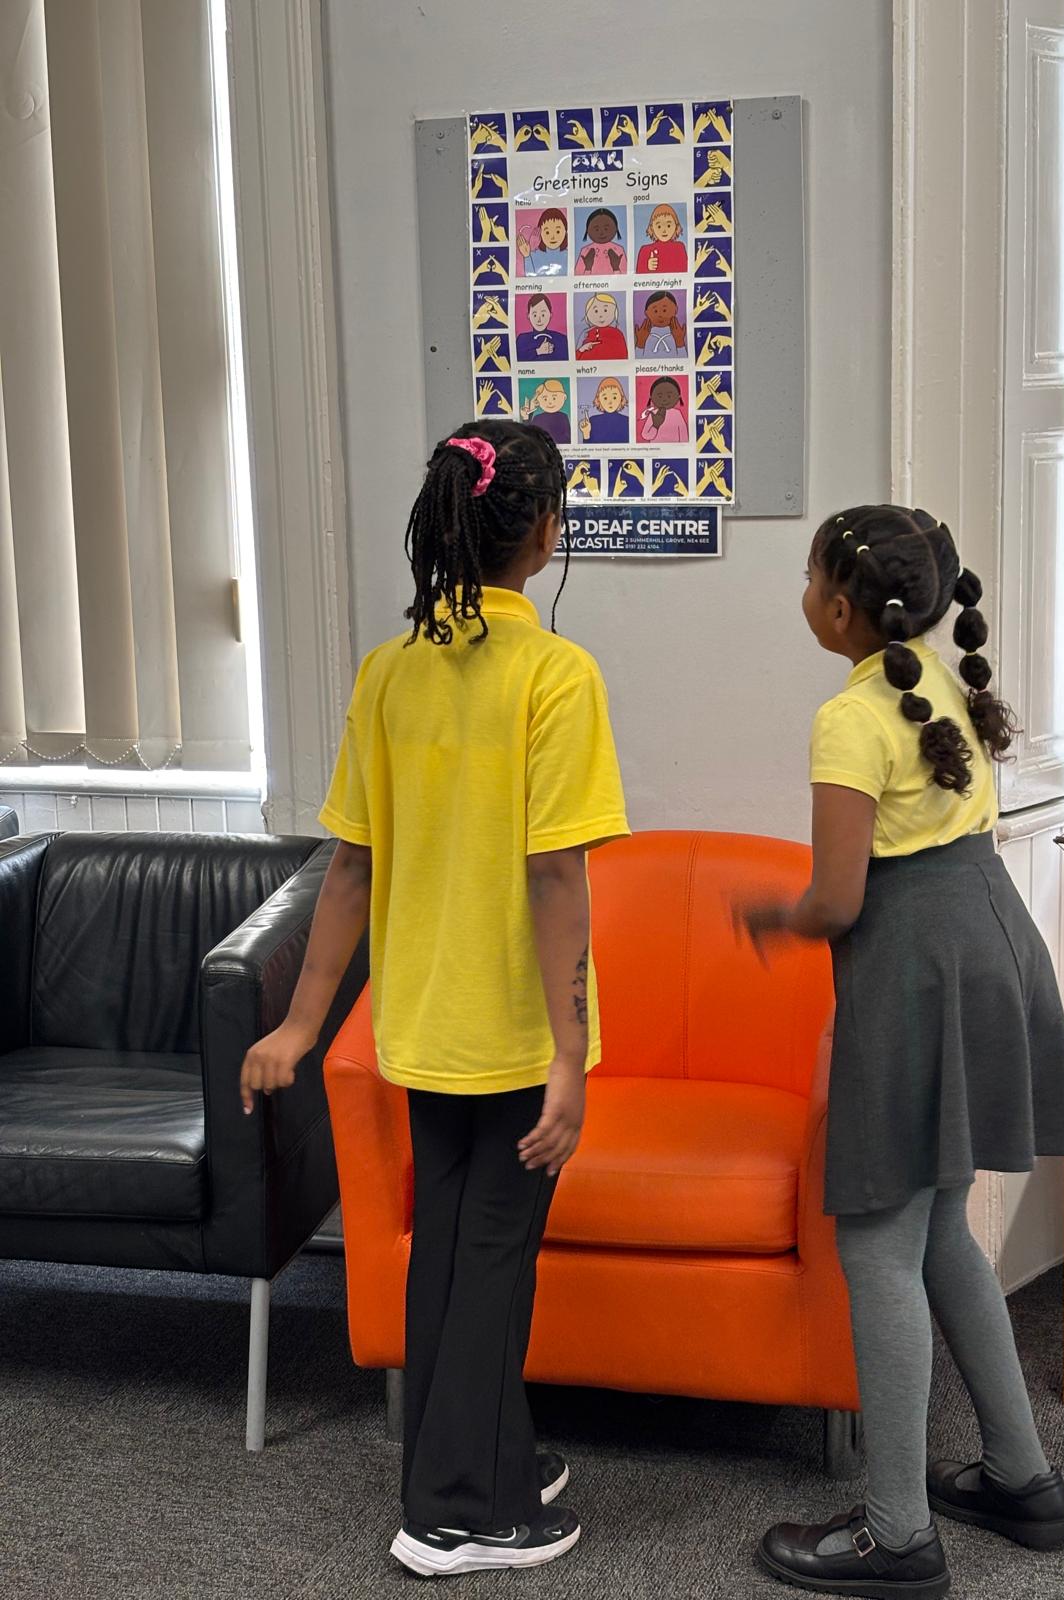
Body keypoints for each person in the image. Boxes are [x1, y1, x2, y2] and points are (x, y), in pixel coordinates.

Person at [239, 419, 628, 1578]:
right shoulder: (557, 673)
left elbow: (346, 865)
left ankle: (489, 1451)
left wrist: (305, 1023)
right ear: (547, 537)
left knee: (452, 1245)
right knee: (494, 1256)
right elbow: (556, 870)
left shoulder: (390, 668)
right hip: (509, 1030)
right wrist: (572, 1052)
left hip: (420, 1022)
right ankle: (459, 1510)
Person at [737, 507, 1064, 1599]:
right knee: (936, 1228)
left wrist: (767, 914)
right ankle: (1022, 1478)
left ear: (841, 606)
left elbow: (841, 899)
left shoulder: (851, 715)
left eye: (806, 577)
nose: (800, 593)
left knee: (878, 1245)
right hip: (990, 939)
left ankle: (897, 1532)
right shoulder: (935, 678)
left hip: (917, 963)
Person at [635, 204, 688, 274]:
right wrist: (647, 267)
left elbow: (685, 270)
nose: (664, 230)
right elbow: (637, 275)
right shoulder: (645, 250)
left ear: (676, 226)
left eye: (668, 225)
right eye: (659, 226)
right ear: (652, 228)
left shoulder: (679, 247)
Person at [575, 294, 628, 360]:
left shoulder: (617, 333)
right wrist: (581, 349)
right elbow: (575, 359)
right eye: (596, 311)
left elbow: (623, 357)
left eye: (605, 310)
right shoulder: (585, 333)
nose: (601, 315)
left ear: (614, 312)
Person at [517, 208, 569, 276]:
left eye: (558, 232)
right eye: (547, 232)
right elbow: (530, 278)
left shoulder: (568, 255)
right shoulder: (533, 255)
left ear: (565, 232)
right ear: (540, 233)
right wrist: (527, 256)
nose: (552, 237)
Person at [516, 294, 568, 361]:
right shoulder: (522, 339)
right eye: (534, 315)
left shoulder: (561, 339)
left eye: (543, 315)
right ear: (528, 316)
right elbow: (517, 359)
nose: (539, 320)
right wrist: (538, 351)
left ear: (550, 314)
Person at [575, 208, 627, 274]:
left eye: (606, 229)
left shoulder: (619, 250)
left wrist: (616, 268)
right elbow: (577, 275)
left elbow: (626, 277)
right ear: (588, 231)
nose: (601, 233)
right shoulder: (585, 250)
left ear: (615, 229)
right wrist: (588, 268)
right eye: (596, 230)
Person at [635, 290, 686, 358]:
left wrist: (680, 342)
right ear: (646, 313)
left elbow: (684, 361)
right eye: (655, 311)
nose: (660, 315)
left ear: (675, 310)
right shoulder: (645, 336)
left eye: (664, 310)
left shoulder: (676, 335)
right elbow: (637, 361)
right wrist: (640, 342)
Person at [579, 377, 629, 444]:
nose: (610, 402)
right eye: (605, 398)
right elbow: (587, 448)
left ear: (621, 398)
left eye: (614, 397)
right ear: (599, 399)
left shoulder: (627, 421)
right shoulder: (593, 421)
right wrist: (586, 433)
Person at [638, 376, 687, 443]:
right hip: (655, 451)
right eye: (660, 396)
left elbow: (683, 434)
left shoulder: (677, 414)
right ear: (651, 398)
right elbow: (645, 435)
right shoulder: (653, 414)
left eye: (669, 396)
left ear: (678, 397)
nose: (664, 399)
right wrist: (655, 426)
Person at [521, 379, 571, 444]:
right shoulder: (537, 418)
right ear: (537, 400)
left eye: (554, 398)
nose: (550, 402)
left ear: (564, 397)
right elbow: (528, 436)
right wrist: (526, 417)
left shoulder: (563, 417)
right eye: (545, 399)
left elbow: (568, 438)